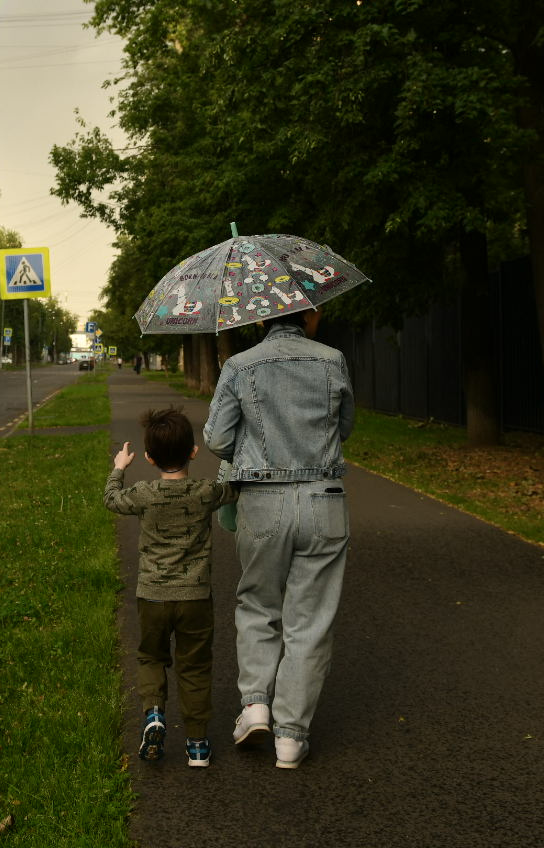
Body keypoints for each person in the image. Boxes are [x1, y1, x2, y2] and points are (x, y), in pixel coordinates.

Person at [203, 305, 354, 769]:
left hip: (262, 501)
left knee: (257, 604)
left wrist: (253, 442)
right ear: (310, 315)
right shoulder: (333, 360)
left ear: (259, 320)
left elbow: (215, 438)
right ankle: (291, 736)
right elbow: (344, 428)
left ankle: (255, 707)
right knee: (310, 621)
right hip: (323, 500)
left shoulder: (239, 366)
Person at [104, 407, 237, 767]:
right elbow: (233, 490)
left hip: (152, 596)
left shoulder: (144, 493)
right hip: (195, 597)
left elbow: (111, 499)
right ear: (193, 452)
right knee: (194, 667)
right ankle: (197, 745)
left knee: (151, 657)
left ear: (148, 458)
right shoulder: (205, 492)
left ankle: (154, 714)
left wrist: (119, 467)